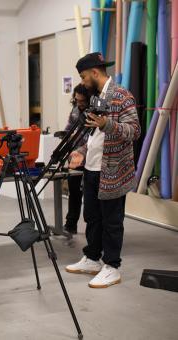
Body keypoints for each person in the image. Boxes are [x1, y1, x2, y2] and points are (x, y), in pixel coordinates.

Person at [66, 52, 141, 288]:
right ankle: (92, 258)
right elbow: (95, 135)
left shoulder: (121, 96)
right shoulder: (95, 97)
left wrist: (107, 124)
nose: (83, 80)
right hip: (92, 168)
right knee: (93, 217)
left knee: (112, 220)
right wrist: (81, 151)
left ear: (95, 73)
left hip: (113, 170)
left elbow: (134, 131)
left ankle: (112, 266)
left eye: (83, 76)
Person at [63, 84, 92, 235]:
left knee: (89, 193)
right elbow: (69, 128)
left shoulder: (93, 112)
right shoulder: (75, 110)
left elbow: (94, 138)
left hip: (90, 156)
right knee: (73, 190)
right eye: (77, 100)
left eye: (82, 101)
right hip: (75, 155)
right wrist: (66, 137)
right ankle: (70, 224)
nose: (79, 104)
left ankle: (92, 228)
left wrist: (81, 150)